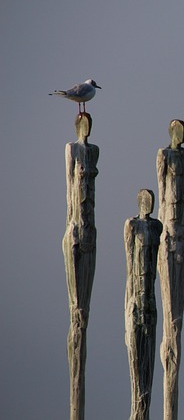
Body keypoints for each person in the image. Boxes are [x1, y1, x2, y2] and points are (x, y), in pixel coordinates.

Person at [156, 119, 184, 420]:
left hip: (181, 227)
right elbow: (160, 183)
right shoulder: (164, 156)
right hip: (168, 227)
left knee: (179, 322)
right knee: (170, 324)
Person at [63, 112, 99, 420]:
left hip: (90, 231)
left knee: (84, 315)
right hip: (76, 229)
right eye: (83, 125)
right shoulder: (72, 151)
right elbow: (70, 188)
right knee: (77, 315)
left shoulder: (94, 151)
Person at [124, 189, 163, 420]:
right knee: (137, 359)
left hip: (150, 292)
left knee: (149, 356)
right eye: (145, 201)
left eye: (152, 201)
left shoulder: (157, 227)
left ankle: (144, 408)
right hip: (136, 293)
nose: (149, 204)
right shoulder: (132, 226)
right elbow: (129, 263)